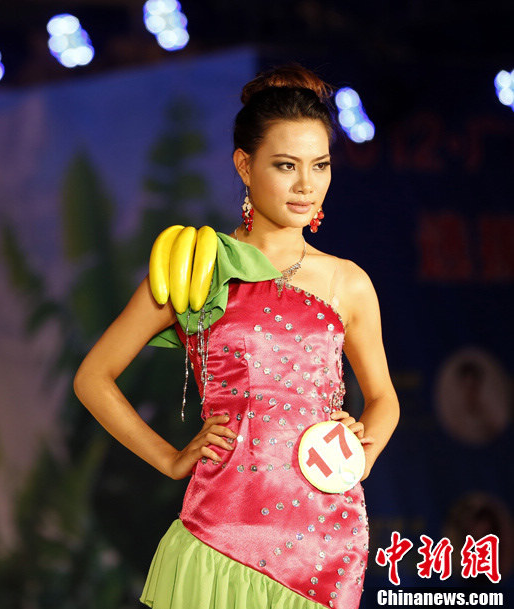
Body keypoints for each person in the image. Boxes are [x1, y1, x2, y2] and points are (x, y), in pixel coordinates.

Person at [74, 65, 399, 609]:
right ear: (244, 166)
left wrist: (360, 450)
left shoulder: (348, 281)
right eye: (285, 166)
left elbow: (385, 399)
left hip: (327, 539)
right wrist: (170, 458)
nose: (306, 185)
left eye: (319, 166)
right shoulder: (200, 266)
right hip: (222, 531)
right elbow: (93, 378)